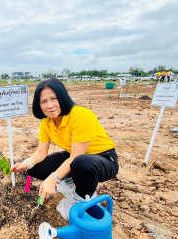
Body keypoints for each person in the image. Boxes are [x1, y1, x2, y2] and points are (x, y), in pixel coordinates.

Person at [11, 78, 119, 220]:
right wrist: (27, 163)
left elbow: (76, 157)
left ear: (62, 97)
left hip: (103, 159)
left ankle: (82, 198)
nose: (49, 105)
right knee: (35, 168)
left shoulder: (81, 115)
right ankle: (72, 182)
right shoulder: (46, 123)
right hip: (75, 158)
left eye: (53, 99)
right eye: (44, 101)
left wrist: (53, 178)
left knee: (82, 163)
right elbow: (41, 152)